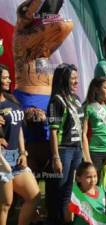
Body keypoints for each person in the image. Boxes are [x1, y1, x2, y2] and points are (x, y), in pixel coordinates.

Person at [0, 65, 40, 225]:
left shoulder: (11, 99)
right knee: (5, 204)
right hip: (2, 160)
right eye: (4, 77)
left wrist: (23, 152)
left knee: (34, 196)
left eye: (9, 77)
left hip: (16, 157)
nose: (9, 80)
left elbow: (18, 128)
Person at [46, 63, 84, 225]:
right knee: (58, 190)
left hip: (77, 150)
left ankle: (66, 221)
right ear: (64, 80)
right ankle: (54, 220)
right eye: (73, 78)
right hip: (63, 151)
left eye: (77, 78)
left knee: (70, 190)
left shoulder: (76, 99)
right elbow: (53, 131)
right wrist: (55, 157)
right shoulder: (56, 100)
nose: (76, 82)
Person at [82, 77, 106, 171]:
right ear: (96, 89)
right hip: (94, 152)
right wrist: (87, 158)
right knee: (95, 183)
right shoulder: (88, 107)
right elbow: (83, 135)